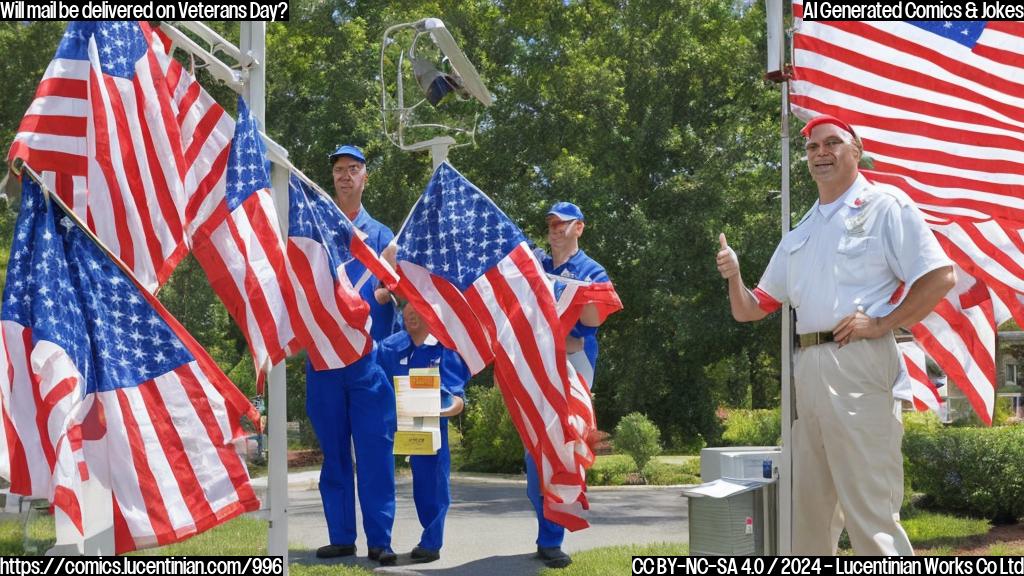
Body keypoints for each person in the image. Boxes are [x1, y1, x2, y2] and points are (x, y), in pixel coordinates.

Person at [716, 115, 955, 555]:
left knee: (870, 513)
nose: (820, 153)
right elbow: (751, 309)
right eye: (811, 148)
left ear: (855, 152)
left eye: (832, 144)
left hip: (859, 360)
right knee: (806, 515)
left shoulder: (885, 205)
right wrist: (734, 276)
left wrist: (883, 324)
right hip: (805, 369)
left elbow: (940, 277)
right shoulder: (800, 232)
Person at [306, 145, 399, 565]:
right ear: (333, 178)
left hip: (368, 363)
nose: (346, 176)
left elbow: (401, 290)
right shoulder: (316, 231)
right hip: (324, 361)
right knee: (335, 453)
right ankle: (342, 536)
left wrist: (385, 293)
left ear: (366, 177)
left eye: (354, 169)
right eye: (339, 170)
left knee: (375, 452)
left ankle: (380, 540)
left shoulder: (382, 237)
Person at [527, 201, 611, 568]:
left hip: (573, 371)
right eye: (550, 224)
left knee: (561, 451)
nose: (554, 229)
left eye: (562, 224)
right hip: (537, 367)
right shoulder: (536, 264)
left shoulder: (592, 269)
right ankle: (546, 525)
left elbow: (592, 322)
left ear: (580, 228)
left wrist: (573, 296)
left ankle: (552, 539)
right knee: (534, 457)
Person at [377, 299, 470, 564]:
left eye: (418, 304)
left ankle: (431, 542)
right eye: (406, 305)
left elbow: (456, 399)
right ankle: (382, 542)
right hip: (390, 423)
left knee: (432, 485)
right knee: (399, 483)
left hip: (429, 426)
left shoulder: (446, 349)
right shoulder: (390, 346)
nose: (410, 312)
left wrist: (436, 411)